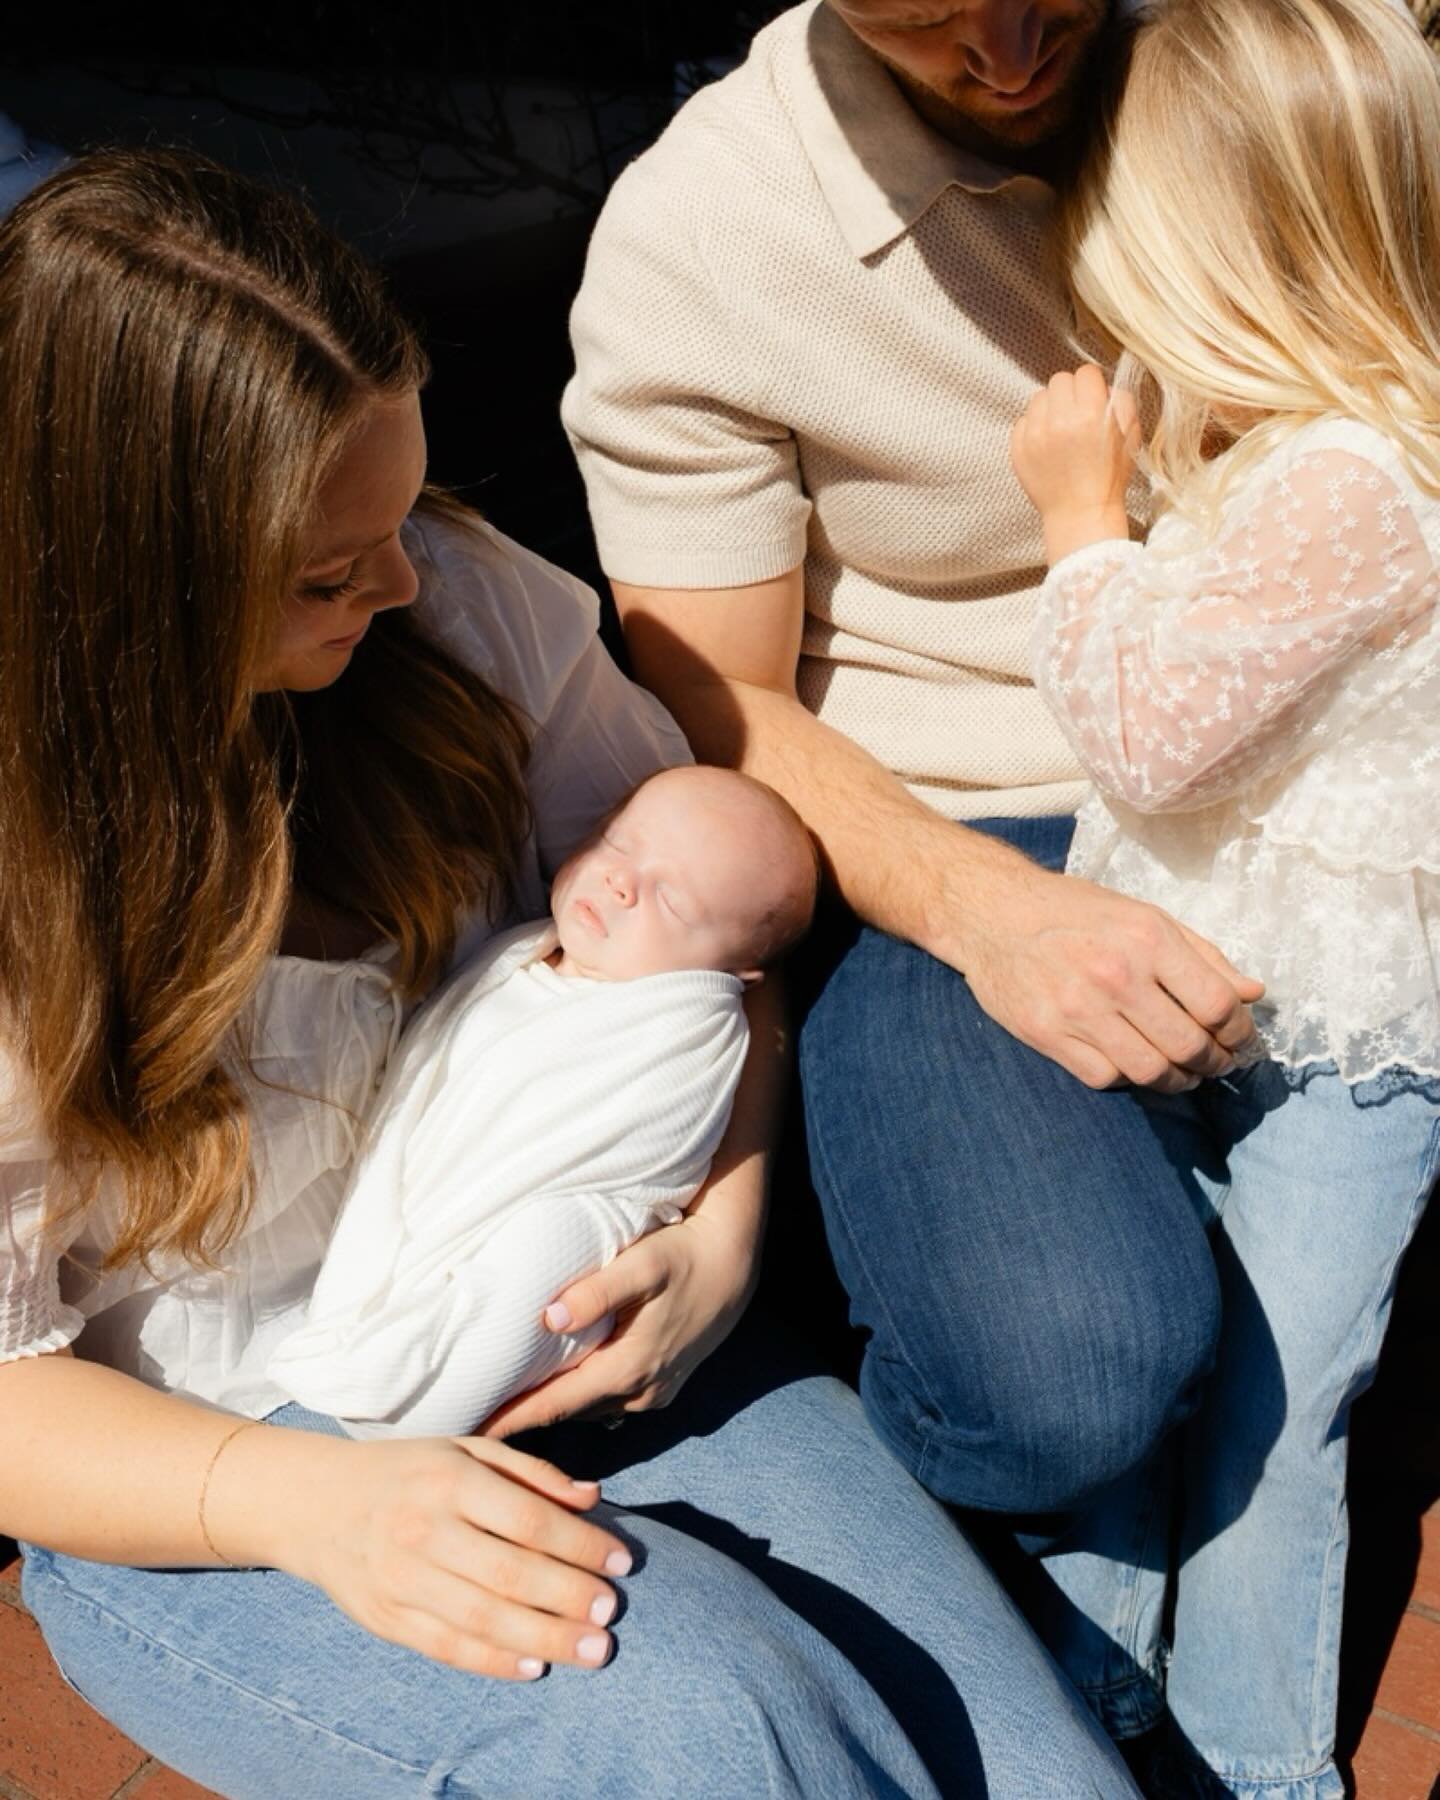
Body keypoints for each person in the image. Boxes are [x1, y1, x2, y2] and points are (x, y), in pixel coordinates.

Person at [0, 148, 1139, 1797]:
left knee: (1023, 1756)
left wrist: (725, 1224)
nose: (396, 584)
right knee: (719, 1727)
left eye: (398, 517)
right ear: (126, 593)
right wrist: (313, 1506)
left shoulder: (447, 615)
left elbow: (706, 958)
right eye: (328, 568)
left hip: (574, 1338)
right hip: (208, 1470)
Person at [562, 0, 1238, 1530]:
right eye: (928, 19)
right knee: (1071, 1378)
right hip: (960, 807)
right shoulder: (704, 232)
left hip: (1289, 728)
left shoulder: (1265, 53)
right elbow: (716, 684)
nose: (1006, 56)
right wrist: (991, 914)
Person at [1007, 1, 1440, 1793]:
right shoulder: (1335, 443)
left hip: (1336, 1051)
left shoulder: (1349, 478)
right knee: (1169, 1371)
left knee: (1269, 1411)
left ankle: (1248, 1767)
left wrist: (1077, 519)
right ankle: (1105, 1708)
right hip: (1253, 1000)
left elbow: (1150, 737)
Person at [269, 766, 819, 1439]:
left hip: (583, 1241)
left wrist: (721, 1238)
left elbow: (639, 1146)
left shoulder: (681, 1028)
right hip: (376, 1260)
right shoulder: (523, 956)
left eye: (674, 901)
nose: (622, 880)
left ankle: (426, 1416)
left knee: (548, 1256)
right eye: (618, 844)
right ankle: (378, 1349)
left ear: (730, 974)